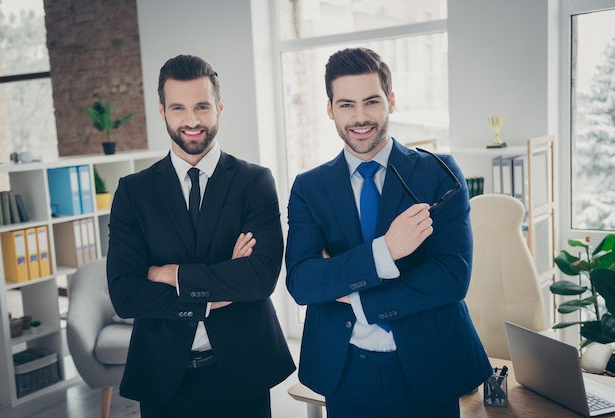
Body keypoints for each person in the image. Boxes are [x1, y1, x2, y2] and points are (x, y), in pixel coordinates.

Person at [285, 47, 492, 418]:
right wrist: (385, 252)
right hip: (346, 370)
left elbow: (451, 277)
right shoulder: (308, 187)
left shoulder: (439, 174)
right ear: (330, 109)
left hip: (430, 363)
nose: (361, 117)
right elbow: (303, 283)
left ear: (391, 101)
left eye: (371, 101)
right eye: (346, 104)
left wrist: (353, 295)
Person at [106, 54, 295, 418]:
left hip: (242, 371)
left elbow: (260, 279)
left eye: (202, 107)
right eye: (178, 108)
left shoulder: (254, 182)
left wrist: (170, 274)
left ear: (219, 107)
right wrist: (215, 291)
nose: (191, 121)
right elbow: (126, 295)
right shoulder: (133, 192)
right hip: (163, 376)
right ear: (162, 111)